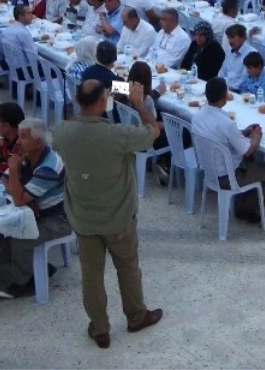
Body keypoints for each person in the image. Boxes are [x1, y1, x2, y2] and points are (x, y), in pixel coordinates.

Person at [51, 79, 164, 349]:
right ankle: (136, 316)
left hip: (83, 217)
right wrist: (138, 102)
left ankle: (100, 328)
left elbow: (64, 138)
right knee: (127, 268)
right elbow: (153, 131)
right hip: (119, 217)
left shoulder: (61, 132)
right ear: (103, 102)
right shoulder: (118, 135)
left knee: (91, 275)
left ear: (78, 101)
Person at [0, 117, 71, 298]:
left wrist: (14, 171)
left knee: (21, 238)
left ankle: (22, 282)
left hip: (58, 219)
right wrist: (28, 199)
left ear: (39, 142)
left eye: (24, 137)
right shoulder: (26, 157)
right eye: (19, 136)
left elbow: (17, 197)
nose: (18, 142)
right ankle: (31, 265)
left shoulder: (48, 167)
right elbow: (4, 179)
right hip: (35, 211)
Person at [192, 78, 265, 221]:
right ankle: (247, 207)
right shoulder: (226, 123)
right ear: (225, 97)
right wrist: (256, 135)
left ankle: (245, 201)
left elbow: (223, 136)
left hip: (210, 170)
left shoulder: (198, 117)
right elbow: (248, 150)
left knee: (251, 161)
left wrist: (244, 132)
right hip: (228, 176)